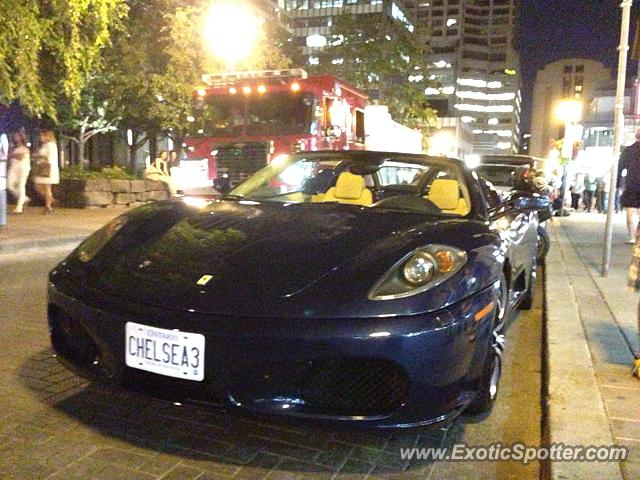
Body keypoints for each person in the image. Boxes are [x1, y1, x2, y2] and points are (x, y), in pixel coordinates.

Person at [619, 130, 640, 243]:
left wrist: (618, 184)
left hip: (631, 184)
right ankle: (638, 236)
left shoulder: (628, 150)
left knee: (630, 212)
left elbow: (620, 167)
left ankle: (631, 236)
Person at [32, 130, 59, 214]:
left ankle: (48, 206)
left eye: (42, 136)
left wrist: (38, 156)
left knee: (46, 187)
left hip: (47, 168)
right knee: (40, 187)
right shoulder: (45, 145)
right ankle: (50, 202)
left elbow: (48, 157)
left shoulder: (51, 145)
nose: (40, 138)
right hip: (43, 168)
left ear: (48, 136)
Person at [6, 131, 30, 213]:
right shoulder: (14, 148)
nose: (15, 137)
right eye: (15, 136)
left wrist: (12, 155)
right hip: (13, 168)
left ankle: (19, 207)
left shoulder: (25, 148)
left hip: (22, 169)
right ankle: (24, 198)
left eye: (17, 136)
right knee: (9, 185)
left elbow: (20, 157)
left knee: (21, 186)